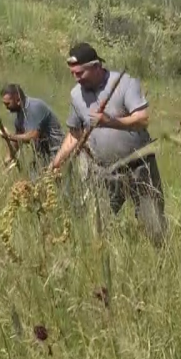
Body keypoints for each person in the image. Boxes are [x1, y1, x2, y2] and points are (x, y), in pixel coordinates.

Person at [48, 42, 166, 246]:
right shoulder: (76, 95)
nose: (76, 78)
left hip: (139, 167)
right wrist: (56, 163)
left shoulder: (124, 84)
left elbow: (142, 119)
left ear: (95, 66)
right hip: (105, 172)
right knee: (99, 231)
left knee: (154, 227)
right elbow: (75, 134)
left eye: (80, 73)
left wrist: (110, 122)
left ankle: (161, 264)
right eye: (72, 73)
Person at [0, 83, 66, 175]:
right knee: (35, 179)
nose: (6, 107)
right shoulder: (19, 116)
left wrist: (9, 136)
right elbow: (17, 140)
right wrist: (8, 158)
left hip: (57, 151)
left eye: (8, 103)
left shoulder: (35, 107)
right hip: (42, 154)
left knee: (54, 182)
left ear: (18, 100)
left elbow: (33, 136)